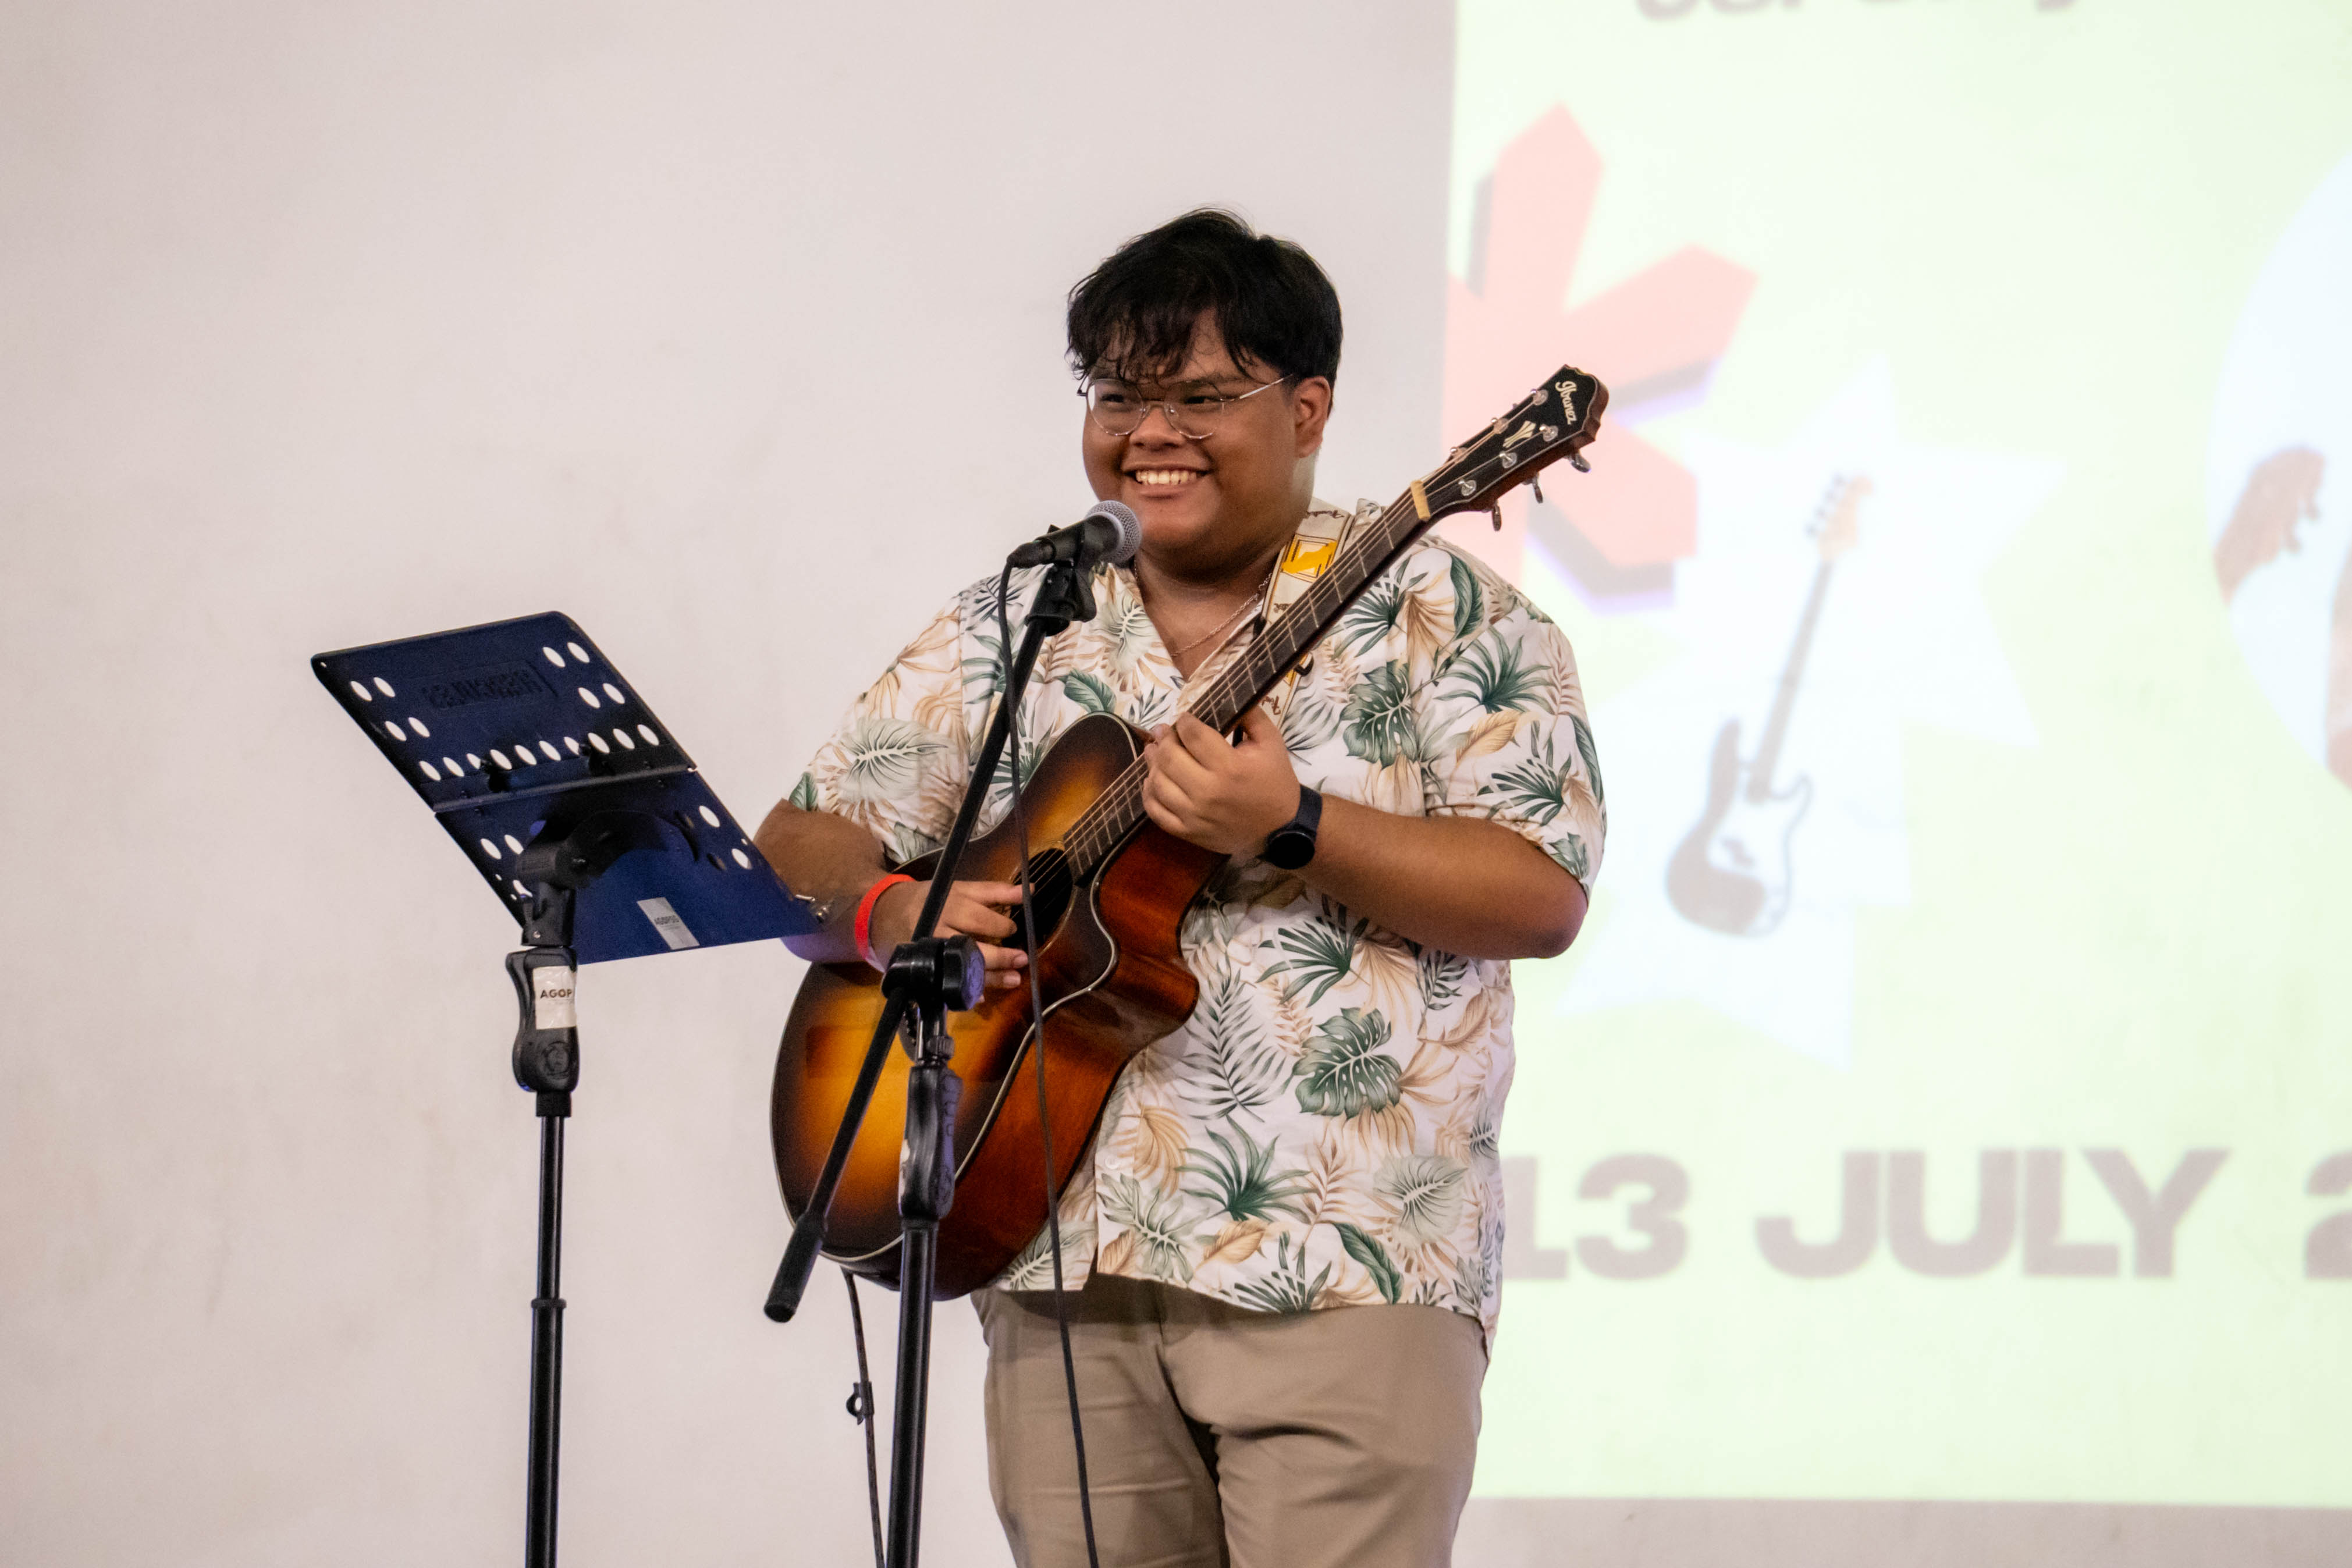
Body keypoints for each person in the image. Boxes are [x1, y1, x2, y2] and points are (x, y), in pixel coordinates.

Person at [755, 209, 1604, 1568]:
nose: (1149, 431)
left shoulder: (1452, 617)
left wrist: (1296, 822)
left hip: (1340, 1267)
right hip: (1051, 1257)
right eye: (1117, 395)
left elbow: (1538, 894)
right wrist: (892, 909)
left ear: (1308, 405)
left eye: (1199, 395)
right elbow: (799, 837)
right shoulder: (1016, 618)